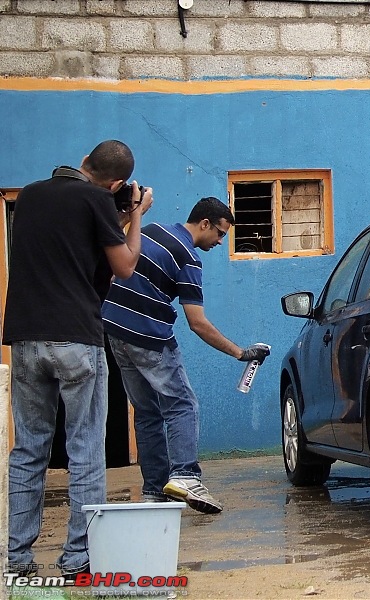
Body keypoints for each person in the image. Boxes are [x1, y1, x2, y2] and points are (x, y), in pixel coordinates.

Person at [3, 140, 153, 577]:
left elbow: (74, 244)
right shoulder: (95, 199)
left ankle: (18, 561)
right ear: (118, 182)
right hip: (76, 342)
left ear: (85, 162)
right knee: (85, 449)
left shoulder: (30, 195)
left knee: (29, 450)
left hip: (26, 338)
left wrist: (116, 214)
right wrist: (136, 213)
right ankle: (77, 558)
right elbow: (124, 265)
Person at [101, 197, 269, 514]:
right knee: (182, 405)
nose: (220, 242)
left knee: (147, 413)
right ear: (204, 223)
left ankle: (153, 491)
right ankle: (185, 476)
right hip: (149, 336)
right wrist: (240, 353)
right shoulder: (187, 258)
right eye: (220, 233)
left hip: (115, 331)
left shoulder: (150, 230)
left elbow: (115, 272)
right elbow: (198, 323)